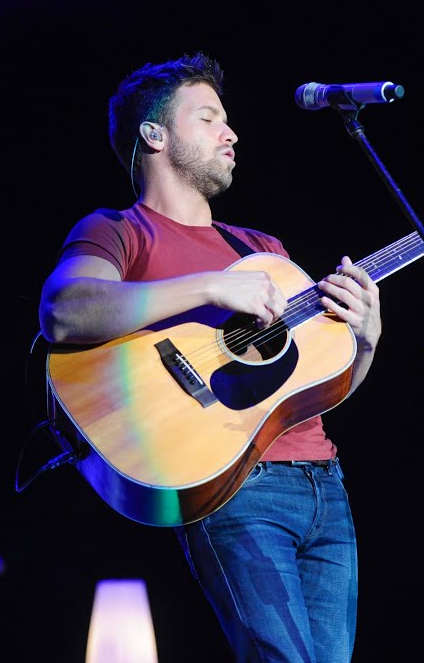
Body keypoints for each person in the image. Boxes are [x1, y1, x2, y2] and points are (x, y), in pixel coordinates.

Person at [38, 52, 382, 662]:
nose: (232, 133)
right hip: (236, 487)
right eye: (209, 118)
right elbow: (65, 310)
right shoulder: (119, 230)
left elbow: (316, 387)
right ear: (155, 134)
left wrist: (366, 339)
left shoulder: (260, 249)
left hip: (325, 485)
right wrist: (209, 287)